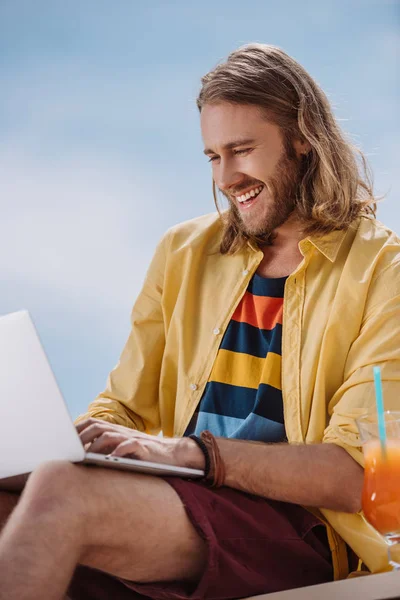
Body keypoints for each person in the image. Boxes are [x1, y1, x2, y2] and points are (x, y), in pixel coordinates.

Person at [0, 43, 399, 600]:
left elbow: (352, 475)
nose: (227, 176)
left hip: (298, 528)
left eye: (241, 150)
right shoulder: (184, 251)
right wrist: (61, 442)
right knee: (16, 495)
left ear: (303, 138)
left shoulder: (385, 272)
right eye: (213, 156)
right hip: (185, 500)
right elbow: (126, 408)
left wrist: (192, 454)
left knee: (63, 493)